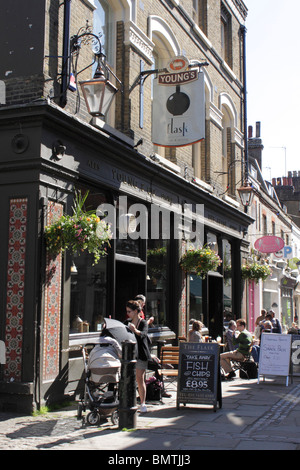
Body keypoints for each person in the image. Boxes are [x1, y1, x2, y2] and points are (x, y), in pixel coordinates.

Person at [125, 300, 151, 413]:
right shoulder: (127, 322)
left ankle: (143, 403)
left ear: (136, 311)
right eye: (127, 311)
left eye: (129, 311)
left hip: (141, 353)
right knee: (130, 378)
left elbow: (144, 334)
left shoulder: (143, 323)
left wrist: (135, 330)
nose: (128, 314)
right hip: (130, 354)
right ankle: (130, 401)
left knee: (139, 378)